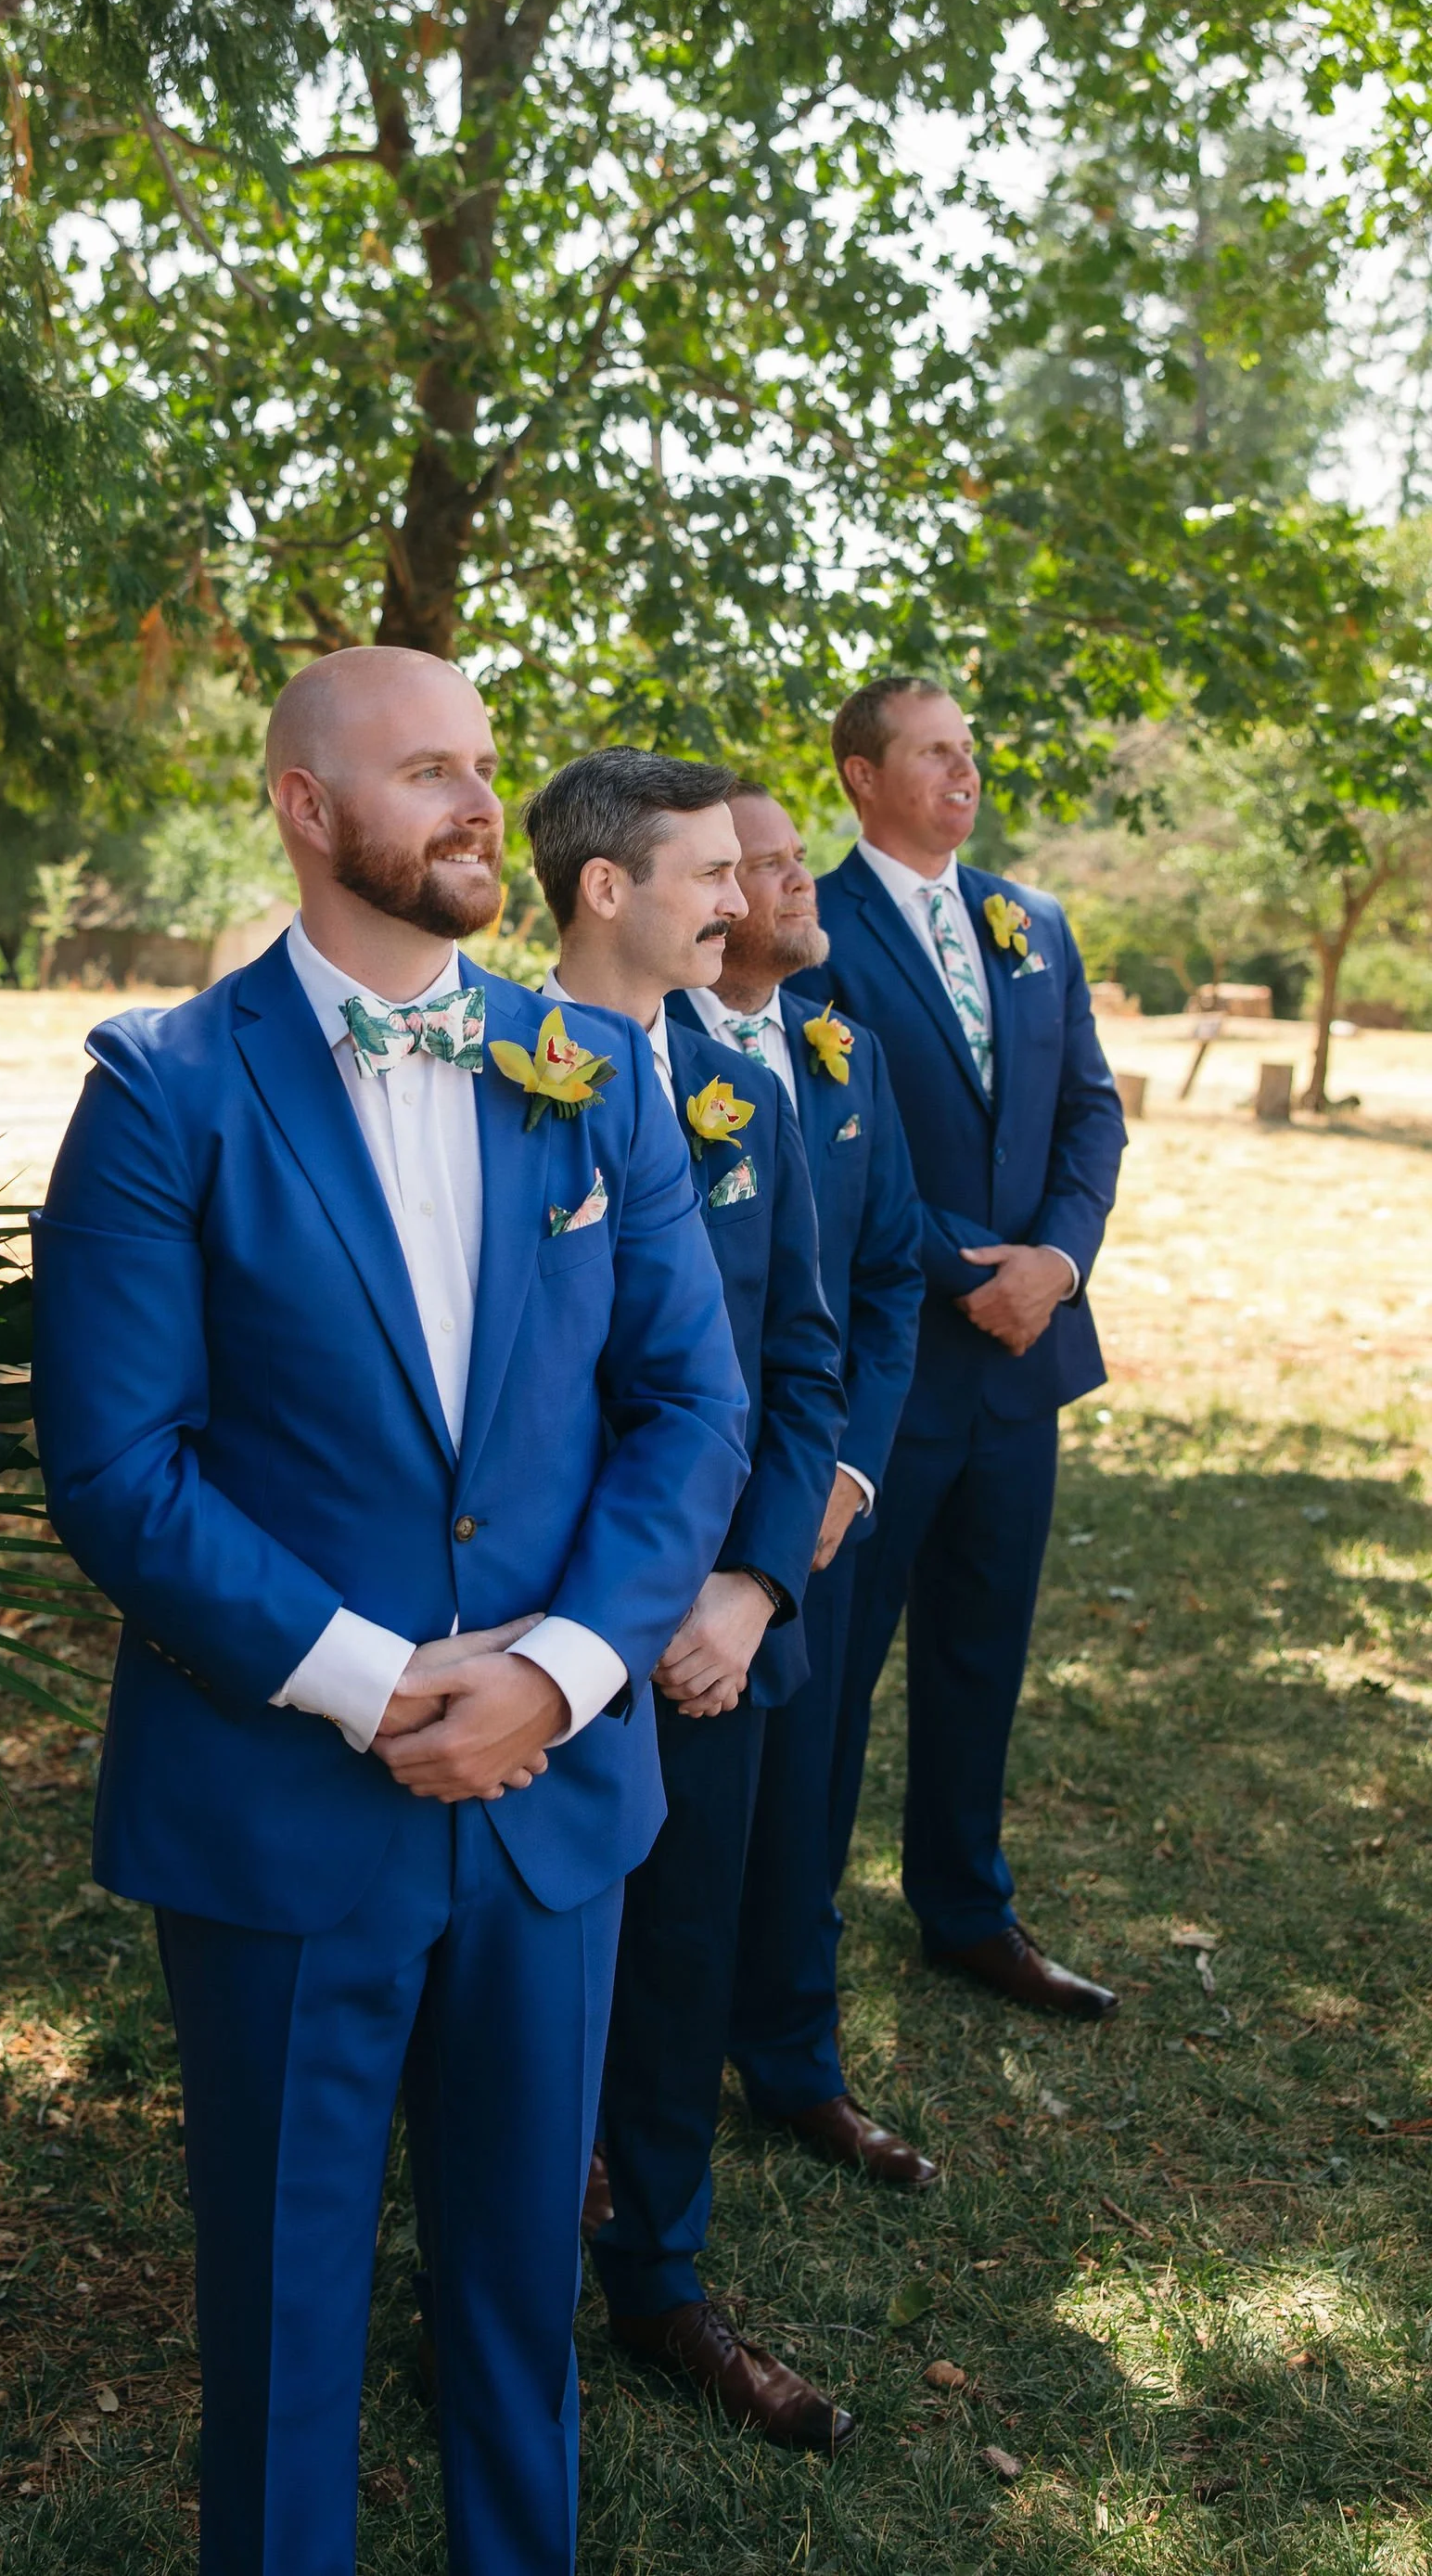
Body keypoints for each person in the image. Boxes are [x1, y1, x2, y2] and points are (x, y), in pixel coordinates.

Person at [32, 648, 752, 2576]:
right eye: (424, 769)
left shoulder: (589, 1074)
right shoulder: (160, 1092)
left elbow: (692, 1406)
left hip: (553, 1815)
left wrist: (560, 1668)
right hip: (279, 1820)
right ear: (297, 802)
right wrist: (365, 1682)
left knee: (521, 2297)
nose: (471, 806)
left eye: (483, 768)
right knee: (279, 2319)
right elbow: (116, 1466)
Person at [521, 750, 853, 2451]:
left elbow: (801, 1364)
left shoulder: (756, 1096)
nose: (747, 902)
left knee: (682, 1965)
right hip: (540, 1640)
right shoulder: (491, 1076)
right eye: (715, 875)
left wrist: (745, 1590)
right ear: (607, 891)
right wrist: (586, 1613)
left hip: (711, 1645)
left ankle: (661, 2284)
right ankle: (492, 2308)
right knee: (504, 1994)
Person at [786, 676, 1127, 2021]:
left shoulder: (1031, 919)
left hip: (1024, 1357)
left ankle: (967, 1910)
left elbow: (1090, 1113)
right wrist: (960, 1271)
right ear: (862, 777)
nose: (963, 773)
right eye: (933, 753)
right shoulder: (816, 928)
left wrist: (1057, 1263)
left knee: (984, 1649)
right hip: (893, 1368)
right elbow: (829, 1144)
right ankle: (790, 1931)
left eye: (969, 753)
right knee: (839, 1670)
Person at [664, 783, 933, 2189]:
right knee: (660, 1839)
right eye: (763, 867)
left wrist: (843, 1476)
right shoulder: (644, 1056)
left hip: (810, 1512)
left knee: (804, 1801)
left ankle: (794, 2061)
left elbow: (884, 1283)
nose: (795, 883)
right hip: (673, 1517)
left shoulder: (845, 1059)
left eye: (785, 859)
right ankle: (613, 2105)